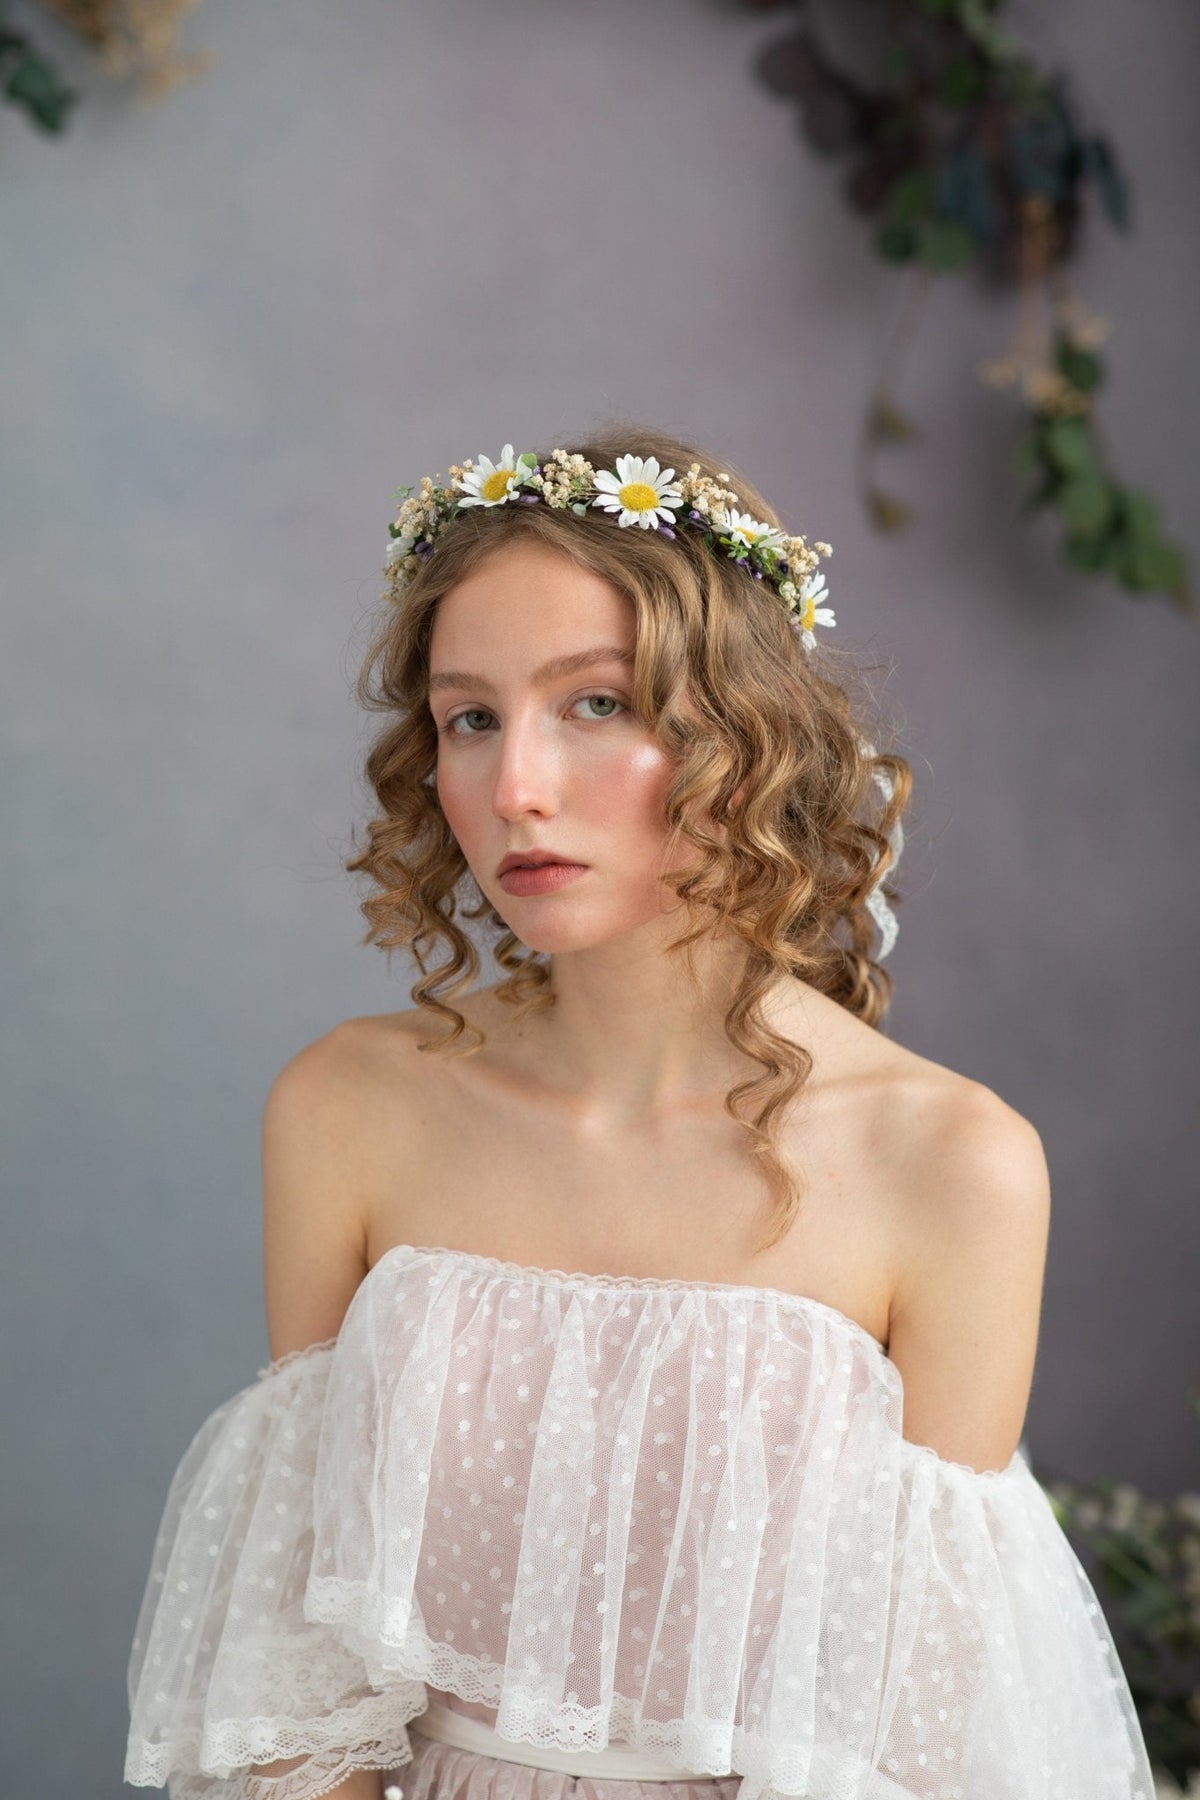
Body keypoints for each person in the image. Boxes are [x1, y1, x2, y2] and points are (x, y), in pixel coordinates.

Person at [124, 425, 1156, 1800]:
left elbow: (918, 1737)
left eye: (597, 703)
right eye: (470, 718)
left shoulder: (952, 1165)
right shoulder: (347, 1107)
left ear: (746, 732)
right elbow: (304, 1681)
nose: (517, 787)